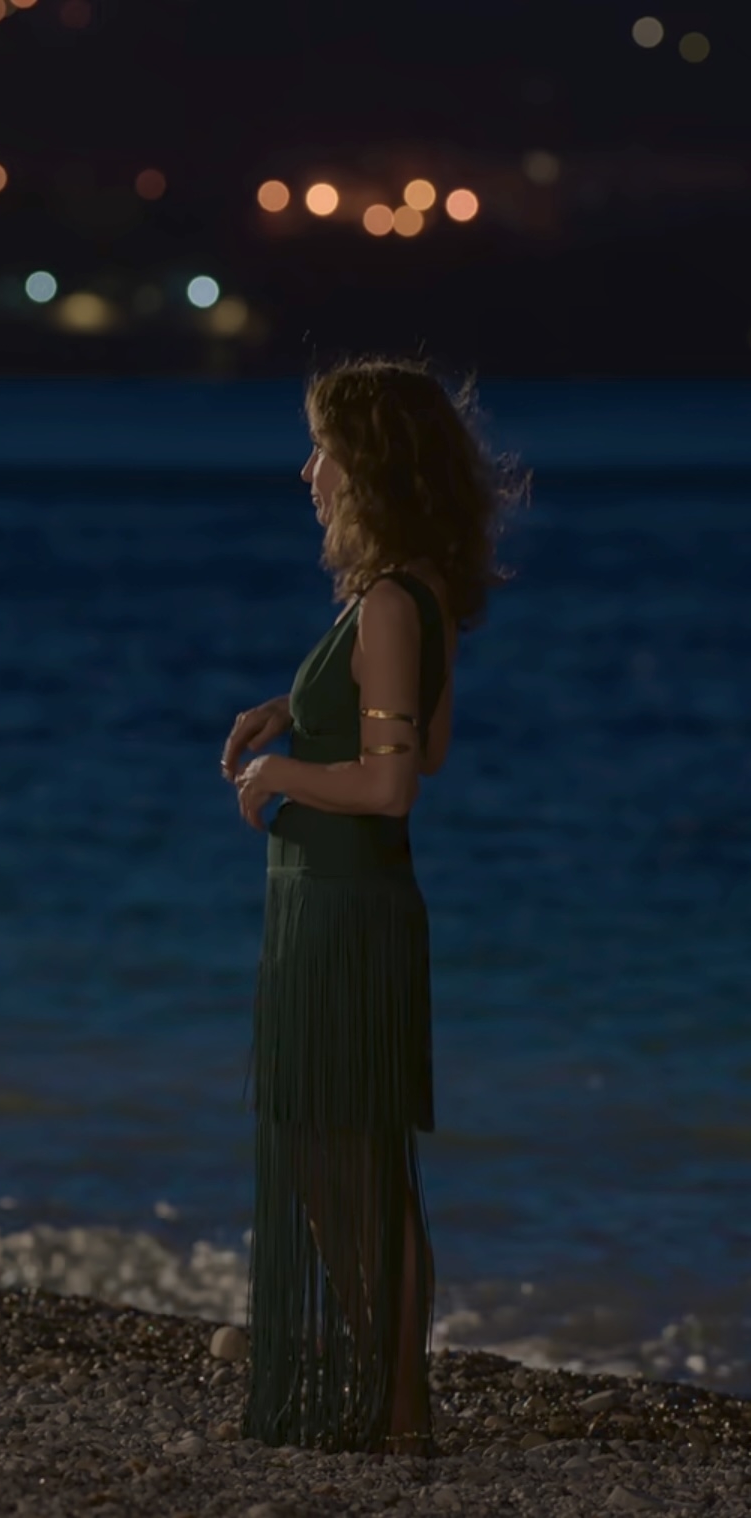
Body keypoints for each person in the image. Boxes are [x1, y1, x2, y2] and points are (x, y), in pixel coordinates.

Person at [220, 358, 525, 1453]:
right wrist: (288, 712)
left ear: (370, 468)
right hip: (343, 900)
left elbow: (396, 782)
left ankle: (396, 1408)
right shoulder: (409, 595)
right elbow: (416, 739)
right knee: (350, 1158)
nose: (308, 473)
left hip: (345, 906)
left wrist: (278, 778)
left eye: (323, 451)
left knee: (342, 1159)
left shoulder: (391, 603)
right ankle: (388, 1392)